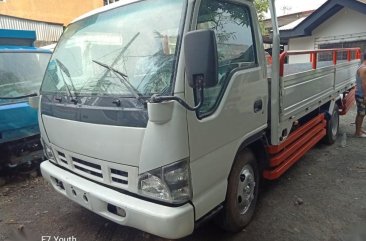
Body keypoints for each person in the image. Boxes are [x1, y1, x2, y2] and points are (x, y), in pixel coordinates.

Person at [355, 51, 366, 137]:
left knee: (361, 113)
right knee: (361, 114)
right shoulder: (364, 69)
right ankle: (357, 133)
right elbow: (364, 83)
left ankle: (359, 129)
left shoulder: (362, 66)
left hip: (360, 94)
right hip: (362, 95)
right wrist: (365, 96)